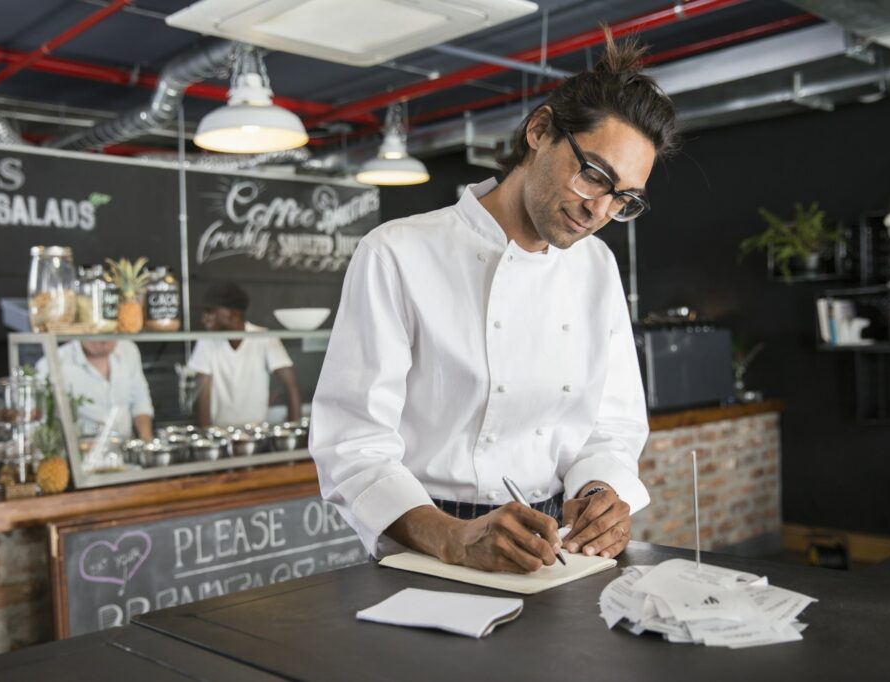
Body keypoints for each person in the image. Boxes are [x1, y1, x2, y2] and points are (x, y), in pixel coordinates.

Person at [311, 31, 679, 573]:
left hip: (554, 546)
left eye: (622, 198)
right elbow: (354, 443)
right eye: (594, 175)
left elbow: (610, 426)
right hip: (427, 542)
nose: (598, 210)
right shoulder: (398, 252)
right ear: (540, 131)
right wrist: (454, 539)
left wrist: (600, 492)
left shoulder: (596, 267)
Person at [189, 282, 302, 427]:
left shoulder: (264, 337)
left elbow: (292, 386)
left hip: (257, 433)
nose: (204, 318)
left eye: (210, 311)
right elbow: (202, 394)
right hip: (220, 434)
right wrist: (206, 436)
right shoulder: (206, 341)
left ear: (234, 313)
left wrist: (294, 431)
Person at [37, 340, 154, 440]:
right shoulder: (51, 364)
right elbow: (40, 423)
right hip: (79, 457)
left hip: (125, 455)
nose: (104, 341)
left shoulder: (128, 350)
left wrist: (146, 441)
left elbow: (141, 402)